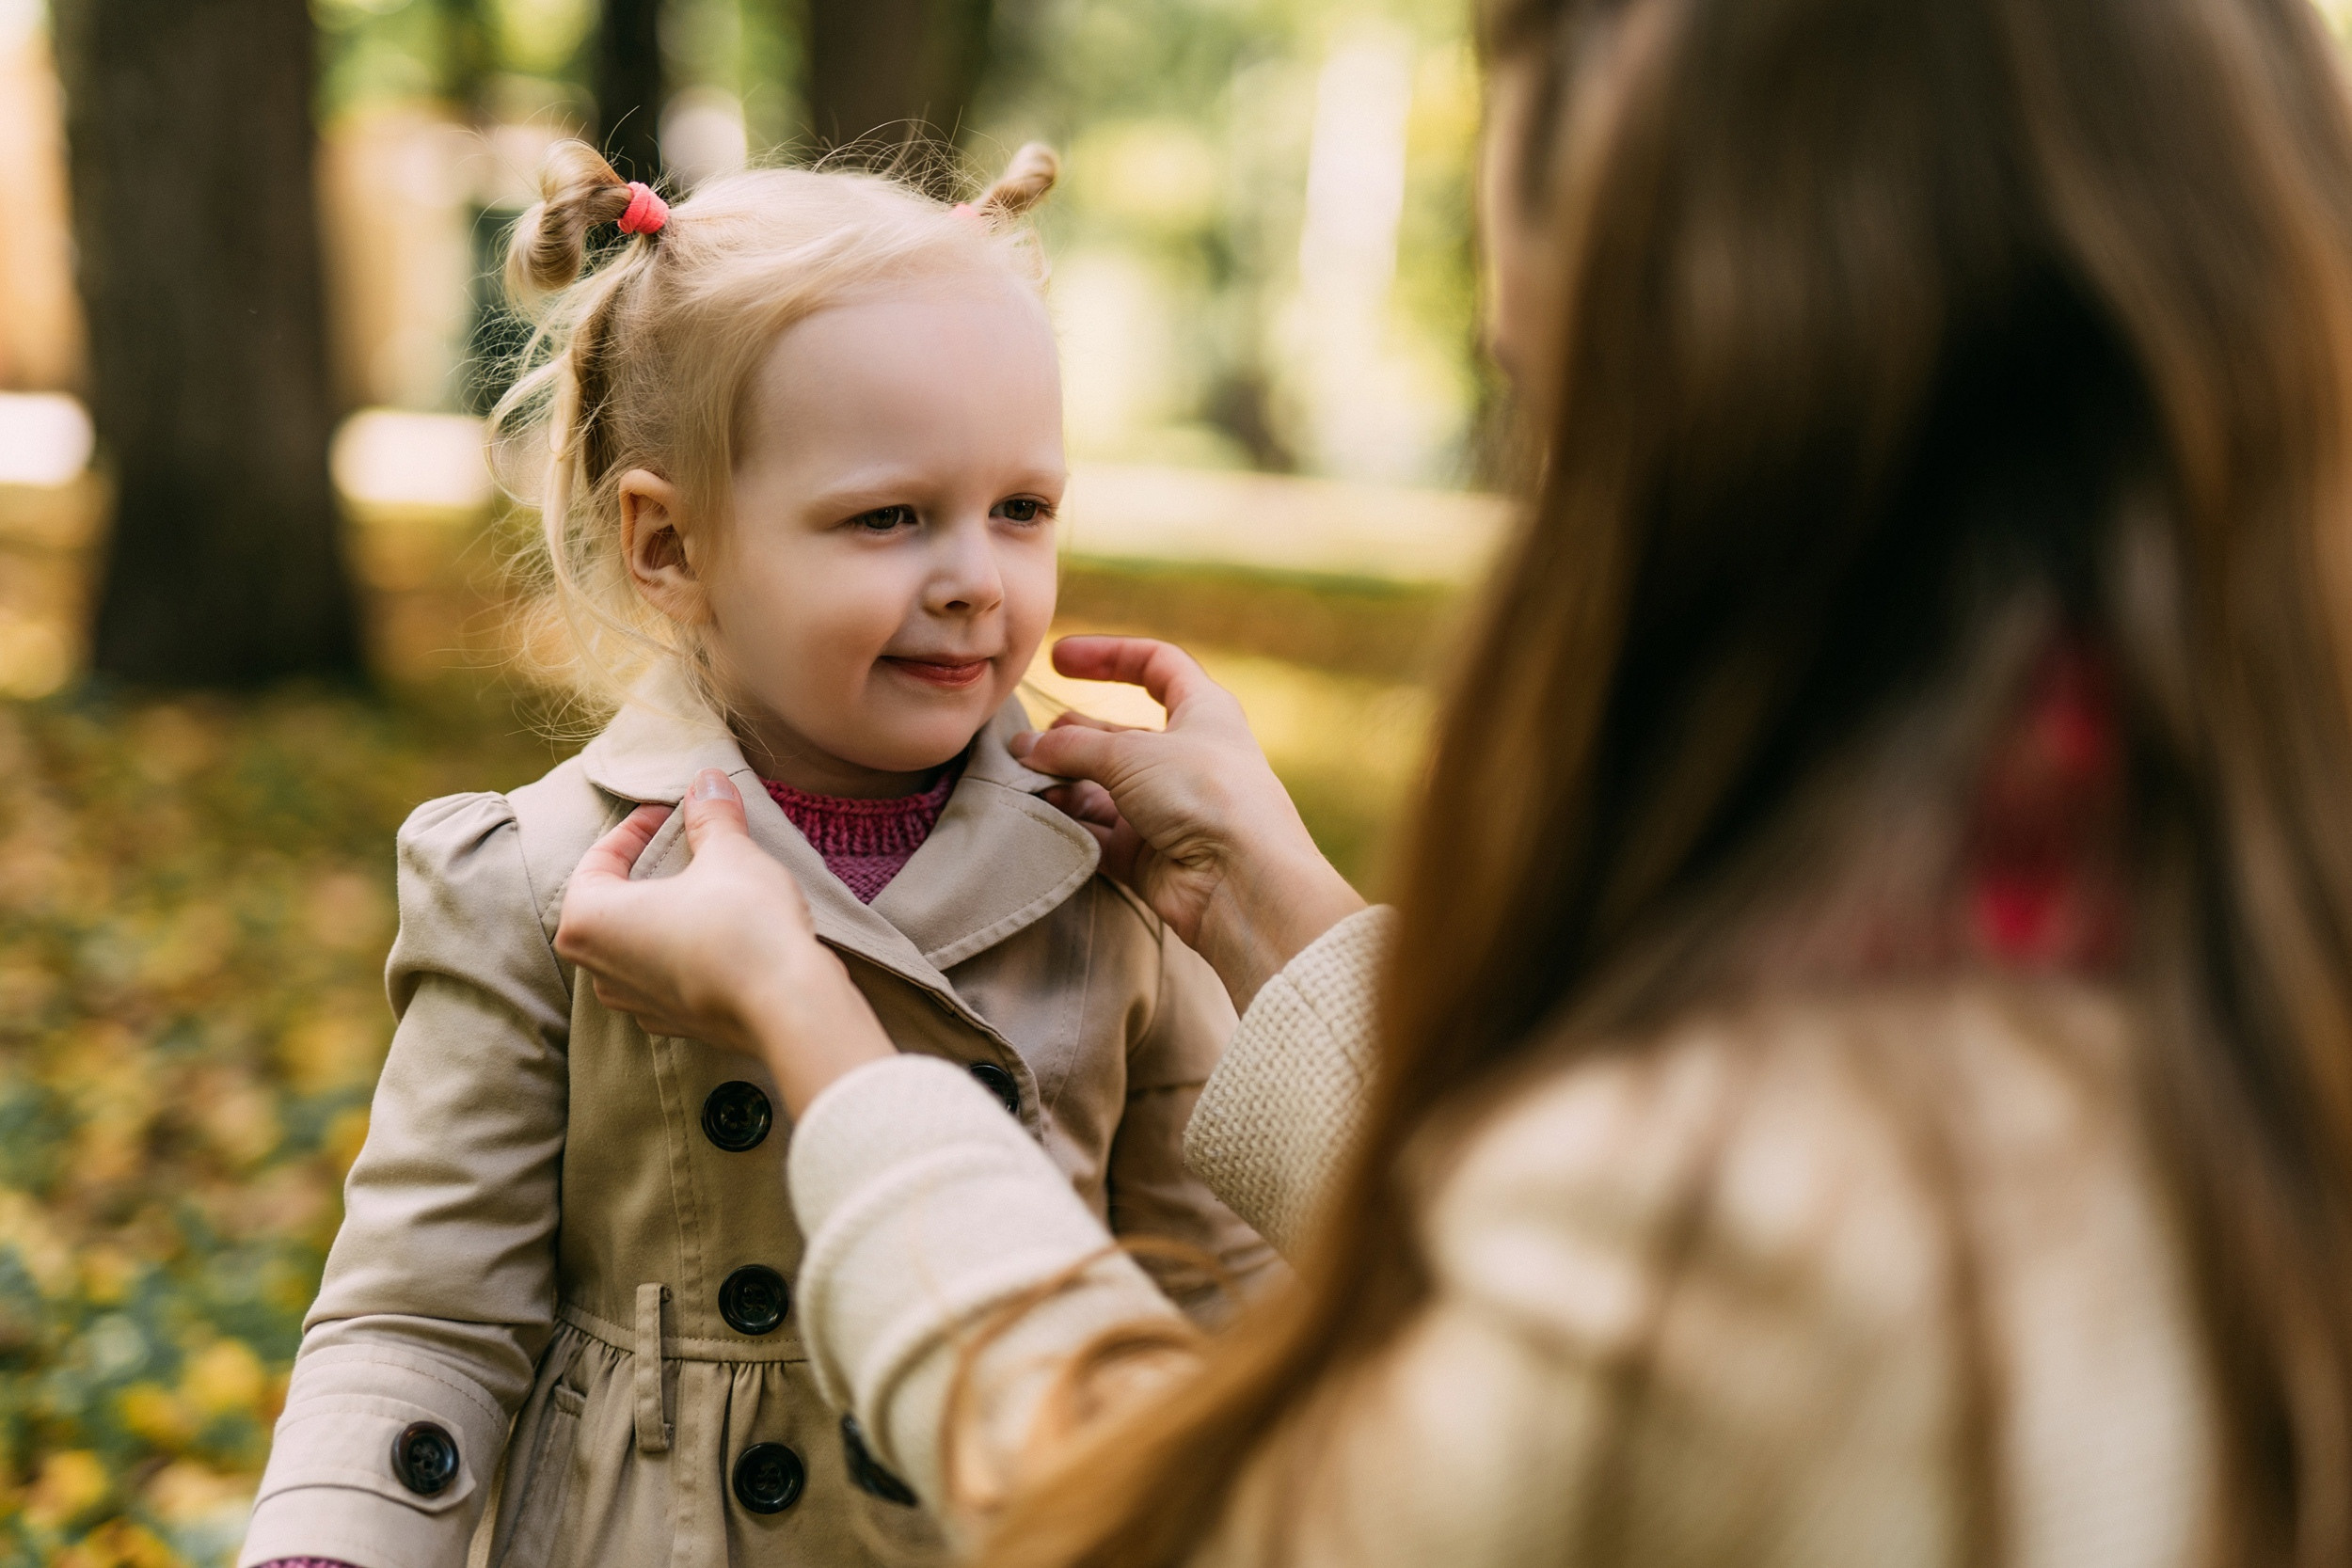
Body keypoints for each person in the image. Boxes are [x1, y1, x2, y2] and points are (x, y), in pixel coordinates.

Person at [552, 0, 2352, 1563]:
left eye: (1563, 420)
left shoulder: (1810, 1147)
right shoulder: (2210, 976)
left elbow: (1182, 1516)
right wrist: (1276, 912)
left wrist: (816, 1027)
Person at [236, 142, 1275, 1568]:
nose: (976, 579)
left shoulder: (1113, 869)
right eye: (888, 516)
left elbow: (1222, 1282)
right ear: (670, 546)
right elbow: (423, 1312)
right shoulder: (547, 877)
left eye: (1022, 509)